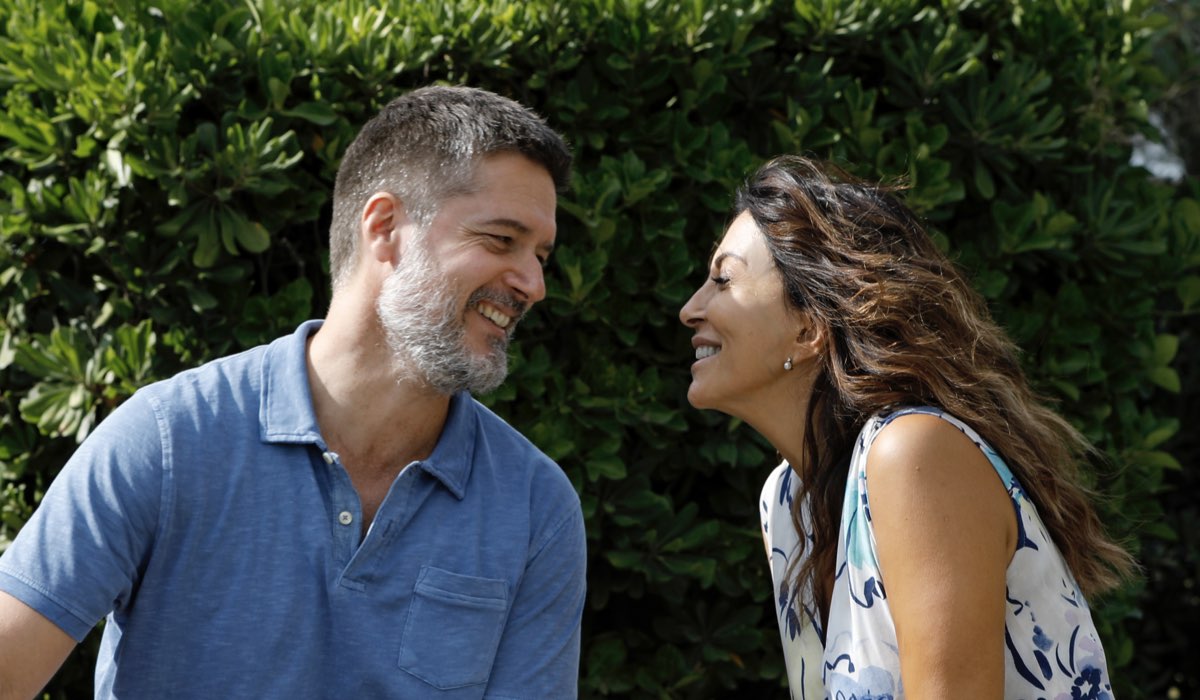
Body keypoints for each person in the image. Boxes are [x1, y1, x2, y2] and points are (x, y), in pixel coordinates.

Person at [0, 85, 586, 699]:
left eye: (541, 254)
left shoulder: (535, 509)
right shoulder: (169, 441)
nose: (534, 284)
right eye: (500, 240)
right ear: (386, 228)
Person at [679, 155, 1134, 699]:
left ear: (809, 329)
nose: (690, 308)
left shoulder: (915, 453)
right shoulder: (788, 503)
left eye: (723, 280)